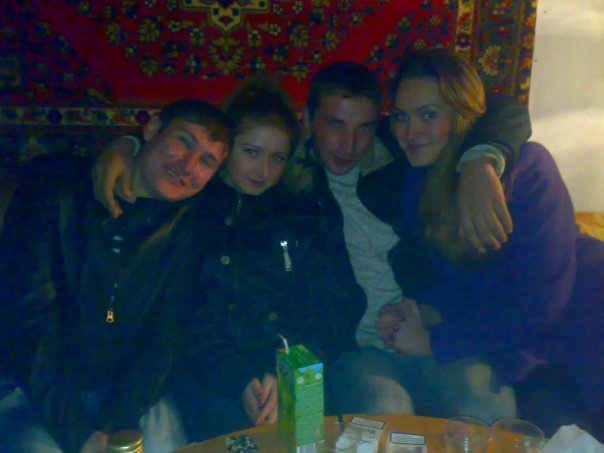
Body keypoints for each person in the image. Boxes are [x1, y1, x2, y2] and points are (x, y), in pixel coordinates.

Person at [92, 61, 532, 419]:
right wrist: (128, 145)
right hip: (353, 349)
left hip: (429, 327)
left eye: (363, 127)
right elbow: (198, 146)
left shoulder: (405, 153)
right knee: (383, 412)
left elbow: (500, 109)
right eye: (334, 124)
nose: (348, 144)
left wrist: (481, 161)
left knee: (487, 407)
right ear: (307, 120)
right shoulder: (284, 175)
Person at [378, 48, 604, 430]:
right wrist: (422, 312)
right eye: (401, 116)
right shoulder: (417, 186)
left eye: (429, 115)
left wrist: (433, 342)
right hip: (528, 346)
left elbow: (541, 301)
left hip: (587, 320)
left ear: (461, 116)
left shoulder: (529, 167)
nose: (410, 132)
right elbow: (471, 283)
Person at [0, 99, 232, 453]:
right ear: (152, 129)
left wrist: (116, 427)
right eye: (183, 141)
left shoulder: (193, 225)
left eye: (207, 161)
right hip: (32, 387)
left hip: (129, 394)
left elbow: (165, 338)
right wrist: (80, 434)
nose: (187, 166)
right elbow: (29, 323)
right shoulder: (56, 190)